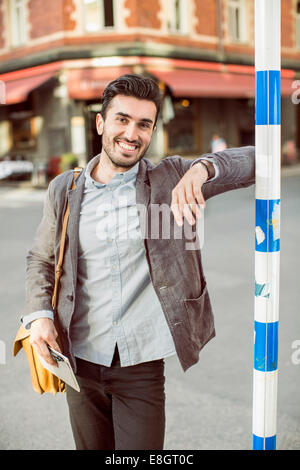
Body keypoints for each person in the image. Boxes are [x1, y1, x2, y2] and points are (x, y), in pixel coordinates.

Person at [22, 74, 255, 450]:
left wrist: (203, 167)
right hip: (79, 359)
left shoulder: (171, 178)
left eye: (144, 124)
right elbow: (42, 258)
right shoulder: (65, 189)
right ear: (101, 123)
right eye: (122, 120)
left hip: (141, 367)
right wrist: (40, 317)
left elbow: (258, 160)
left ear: (152, 131)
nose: (132, 134)